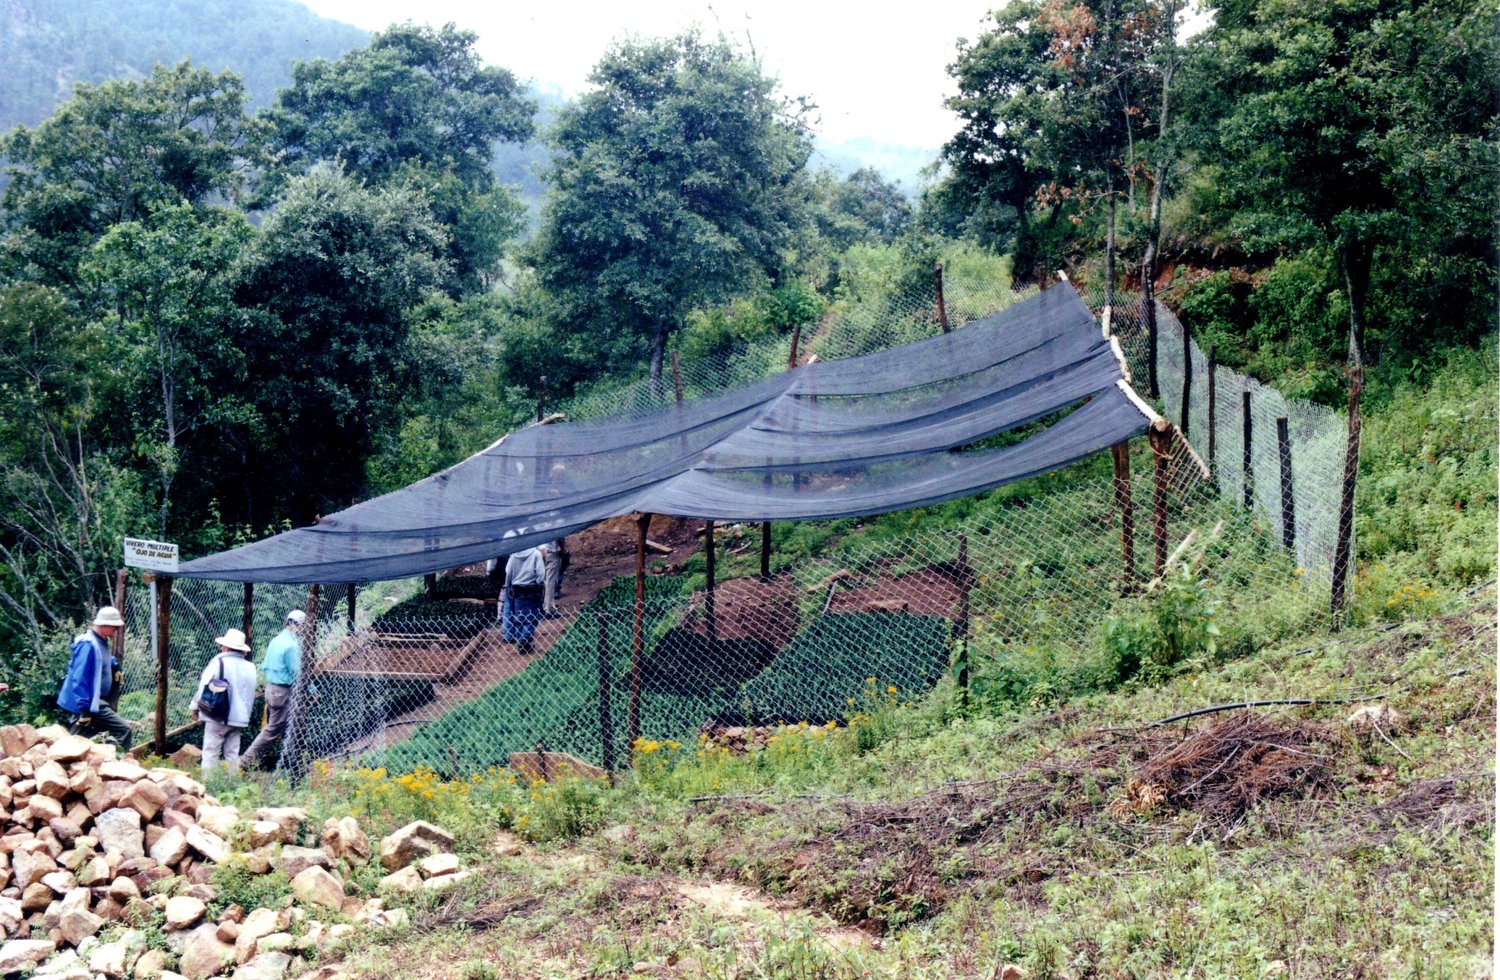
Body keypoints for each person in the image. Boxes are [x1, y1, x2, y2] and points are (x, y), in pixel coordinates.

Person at [56, 606, 133, 749]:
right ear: (104, 625)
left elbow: (98, 662)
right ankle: (115, 764)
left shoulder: (100, 641)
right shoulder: (88, 644)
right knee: (123, 730)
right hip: (89, 701)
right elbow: (79, 678)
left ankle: (98, 764)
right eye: (114, 626)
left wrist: (112, 665)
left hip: (96, 700)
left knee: (81, 740)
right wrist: (84, 707)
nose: (116, 630)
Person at [240, 609, 305, 770]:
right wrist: (311, 690)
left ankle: (291, 763)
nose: (304, 630)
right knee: (273, 730)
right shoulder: (291, 646)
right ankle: (244, 762)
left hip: (271, 689)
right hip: (283, 691)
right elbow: (298, 673)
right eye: (303, 626)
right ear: (299, 625)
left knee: (284, 727)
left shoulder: (276, 640)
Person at [191, 628, 258, 775]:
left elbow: (204, 686)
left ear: (227, 647)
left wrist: (195, 706)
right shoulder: (251, 667)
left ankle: (208, 785)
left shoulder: (219, 662)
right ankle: (231, 784)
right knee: (232, 754)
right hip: (239, 717)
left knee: (210, 751)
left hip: (218, 714)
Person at [501, 546, 547, 656]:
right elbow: (540, 574)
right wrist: (540, 585)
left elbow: (508, 572)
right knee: (532, 616)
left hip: (517, 590)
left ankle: (521, 641)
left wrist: (508, 586)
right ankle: (525, 640)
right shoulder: (536, 554)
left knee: (519, 616)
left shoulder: (514, 554)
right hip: (531, 589)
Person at [542, 537, 570, 617]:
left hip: (541, 554)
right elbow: (559, 537)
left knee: (544, 581)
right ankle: (549, 609)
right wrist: (562, 549)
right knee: (550, 582)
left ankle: (545, 605)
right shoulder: (554, 524)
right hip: (552, 554)